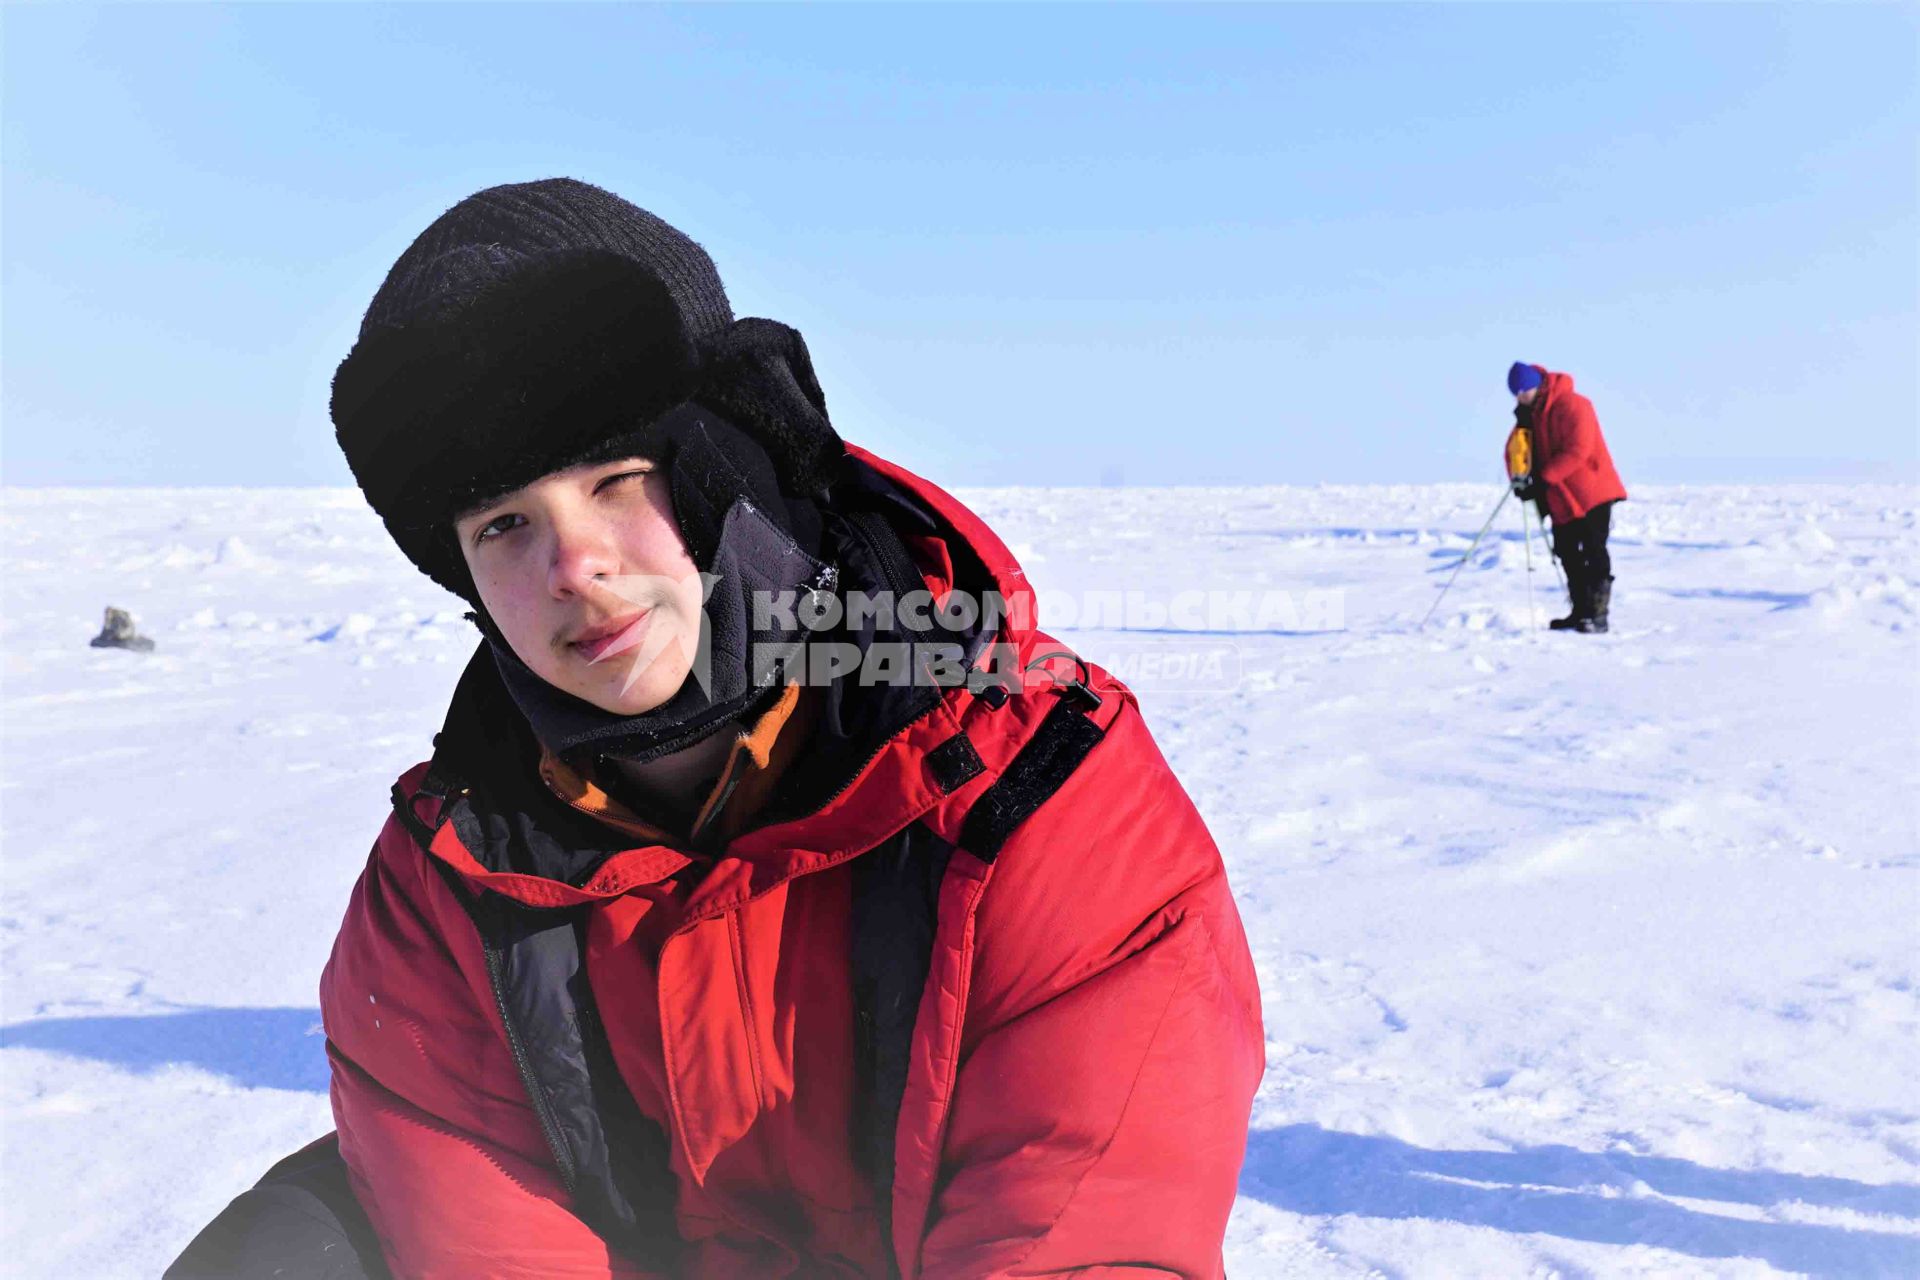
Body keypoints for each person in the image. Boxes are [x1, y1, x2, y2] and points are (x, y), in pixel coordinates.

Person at [168, 179, 1263, 1280]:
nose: (574, 567)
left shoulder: (1029, 780)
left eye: (617, 478)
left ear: (735, 458)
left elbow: (1085, 1242)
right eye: (504, 522)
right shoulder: (448, 886)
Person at [1506, 361, 1628, 633]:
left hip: (1592, 491)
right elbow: (1515, 450)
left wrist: (1542, 479)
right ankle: (1580, 612)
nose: (1521, 397)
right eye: (1516, 393)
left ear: (1537, 385)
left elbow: (1578, 450)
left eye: (1524, 390)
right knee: (1567, 552)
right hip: (1561, 497)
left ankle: (1597, 615)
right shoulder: (1530, 415)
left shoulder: (1575, 405)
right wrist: (1521, 479)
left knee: (1594, 549)